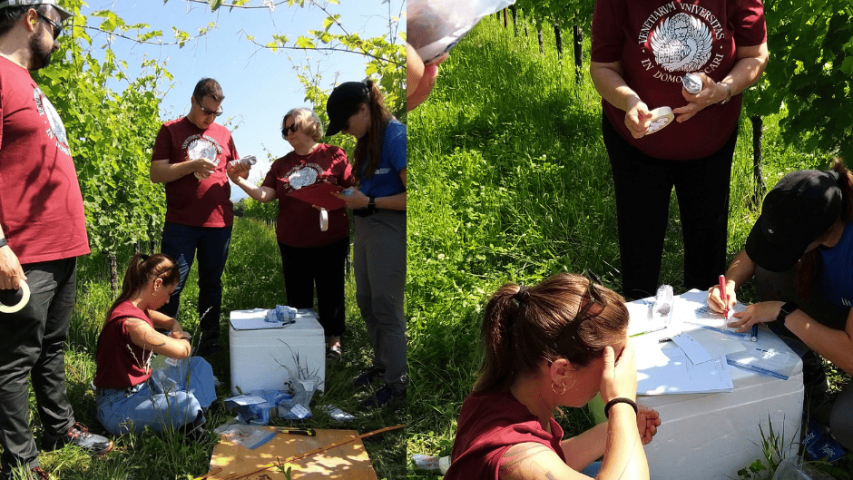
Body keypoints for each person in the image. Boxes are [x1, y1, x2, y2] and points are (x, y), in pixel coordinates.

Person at [0, 2, 115, 478]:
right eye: (56, 27)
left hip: (63, 245)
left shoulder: (29, 85)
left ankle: (58, 428)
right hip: (25, 250)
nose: (59, 38)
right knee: (14, 359)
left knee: (52, 346)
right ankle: (20, 463)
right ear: (31, 19)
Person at [590, 0, 769, 300]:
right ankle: (638, 311)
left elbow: (755, 55)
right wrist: (630, 101)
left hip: (710, 142)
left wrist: (721, 90)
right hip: (636, 142)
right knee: (639, 245)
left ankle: (703, 315)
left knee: (707, 249)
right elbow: (603, 67)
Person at [444, 273, 660, 480]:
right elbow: (537, 466)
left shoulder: (511, 396)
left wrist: (616, 431)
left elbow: (553, 460)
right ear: (561, 372)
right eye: (612, 364)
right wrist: (622, 404)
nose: (617, 375)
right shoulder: (518, 463)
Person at [707, 159, 853, 451]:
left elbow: (850, 357)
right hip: (841, 309)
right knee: (770, 271)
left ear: (819, 235)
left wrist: (782, 311)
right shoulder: (799, 202)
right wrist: (730, 284)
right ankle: (807, 379)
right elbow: (752, 255)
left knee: (844, 423)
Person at [228, 108, 354, 360]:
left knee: (331, 291)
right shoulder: (281, 165)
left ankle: (334, 341)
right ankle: (304, 344)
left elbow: (352, 189)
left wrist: (335, 199)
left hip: (330, 238)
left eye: (292, 127)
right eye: (284, 130)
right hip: (293, 242)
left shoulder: (333, 154)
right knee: (298, 296)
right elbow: (265, 194)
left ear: (310, 125)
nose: (288, 133)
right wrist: (239, 181)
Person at [150, 78, 249, 357]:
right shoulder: (171, 130)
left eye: (216, 112)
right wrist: (191, 165)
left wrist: (241, 170)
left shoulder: (224, 134)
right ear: (193, 101)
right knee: (170, 283)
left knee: (212, 284)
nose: (211, 118)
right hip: (181, 223)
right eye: (207, 111)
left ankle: (209, 343)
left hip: (218, 223)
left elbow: (234, 172)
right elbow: (156, 173)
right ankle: (163, 344)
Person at [326, 80, 407, 407]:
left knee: (386, 305)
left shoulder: (396, 137)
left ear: (363, 110)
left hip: (389, 226)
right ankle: (382, 365)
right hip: (366, 227)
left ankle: (397, 386)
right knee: (367, 301)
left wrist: (370, 201)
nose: (345, 132)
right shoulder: (365, 143)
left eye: (346, 125)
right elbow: (368, 187)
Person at [93, 254, 216, 436]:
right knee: (186, 404)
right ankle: (192, 415)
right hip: (119, 405)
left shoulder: (133, 305)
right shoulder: (133, 325)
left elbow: (156, 317)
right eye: (168, 293)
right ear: (157, 284)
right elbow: (182, 351)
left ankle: (194, 416)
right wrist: (181, 337)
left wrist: (173, 324)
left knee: (199, 364)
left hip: (145, 388)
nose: (167, 301)